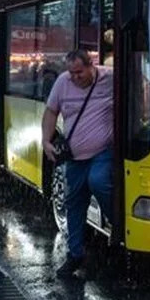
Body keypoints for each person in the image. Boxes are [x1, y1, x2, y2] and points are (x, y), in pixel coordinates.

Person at [41, 48, 114, 280]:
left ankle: (118, 226)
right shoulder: (62, 83)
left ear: (91, 66)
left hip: (103, 151)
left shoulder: (110, 78)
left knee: (99, 181)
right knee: (74, 202)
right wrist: (46, 141)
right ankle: (75, 254)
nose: (75, 77)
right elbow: (51, 112)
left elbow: (142, 85)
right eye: (71, 72)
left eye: (79, 72)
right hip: (74, 156)